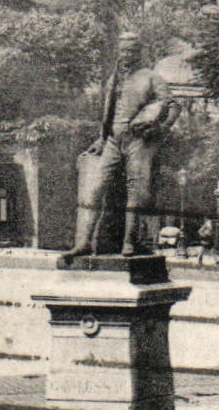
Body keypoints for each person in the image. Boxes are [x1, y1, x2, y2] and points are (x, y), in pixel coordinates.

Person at [72, 32, 180, 257]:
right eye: (123, 50)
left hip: (138, 140)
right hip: (112, 140)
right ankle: (84, 242)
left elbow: (173, 105)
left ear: (139, 53)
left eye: (131, 51)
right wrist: (102, 138)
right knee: (96, 188)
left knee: (136, 191)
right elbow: (109, 112)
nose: (126, 55)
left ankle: (129, 243)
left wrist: (161, 128)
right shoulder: (114, 79)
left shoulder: (151, 77)